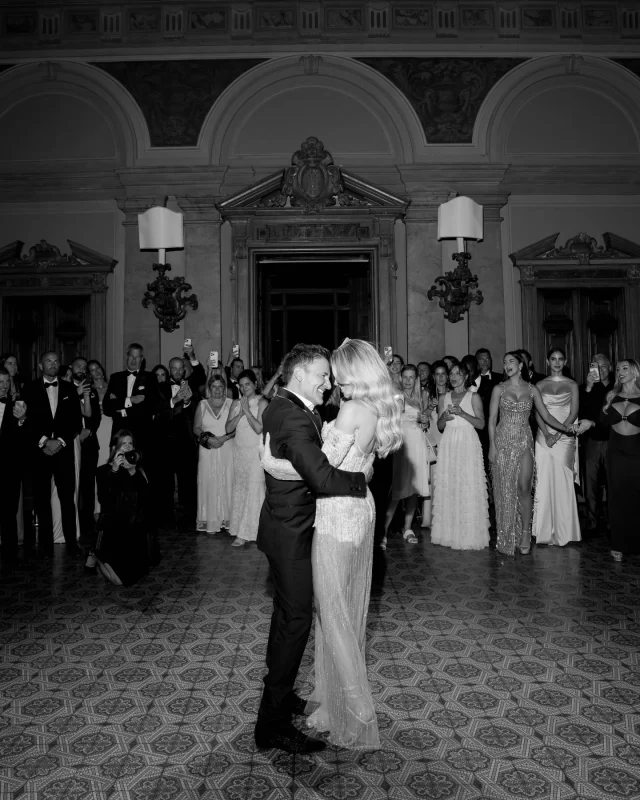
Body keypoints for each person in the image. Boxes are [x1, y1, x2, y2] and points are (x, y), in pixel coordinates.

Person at [261, 339, 403, 749]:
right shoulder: (375, 409)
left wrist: (270, 462)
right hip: (359, 512)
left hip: (338, 515)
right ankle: (331, 702)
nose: (332, 379)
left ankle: (358, 712)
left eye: (335, 371)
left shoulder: (351, 409)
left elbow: (320, 469)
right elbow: (362, 465)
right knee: (339, 611)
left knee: (335, 615)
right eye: (326, 373)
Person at [488, 352, 575, 557]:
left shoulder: (532, 389)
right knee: (505, 490)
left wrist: (566, 428)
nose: (507, 364)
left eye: (511, 361)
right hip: (502, 440)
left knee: (524, 488)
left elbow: (545, 415)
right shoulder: (498, 389)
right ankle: (507, 535)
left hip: (524, 440)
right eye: (505, 361)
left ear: (521, 366)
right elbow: (492, 419)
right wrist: (492, 446)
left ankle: (526, 533)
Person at [578, 359, 640, 561]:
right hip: (616, 453)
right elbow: (602, 423)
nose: (621, 372)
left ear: (635, 372)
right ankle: (618, 544)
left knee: (636, 496)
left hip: (636, 453)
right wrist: (590, 422)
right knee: (616, 497)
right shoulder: (612, 396)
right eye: (619, 368)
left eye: (625, 368)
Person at [24, 351, 82, 558]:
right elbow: (27, 421)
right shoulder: (29, 389)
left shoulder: (69, 388)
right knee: (41, 500)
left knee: (68, 499)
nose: (53, 364)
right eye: (48, 361)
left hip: (63, 451)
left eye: (56, 361)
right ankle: (46, 546)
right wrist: (44, 441)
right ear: (40, 366)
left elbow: (76, 420)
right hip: (40, 452)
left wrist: (61, 442)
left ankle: (71, 543)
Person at [431, 361, 489, 550]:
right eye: (452, 373)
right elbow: (440, 427)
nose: (453, 376)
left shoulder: (474, 396)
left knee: (468, 486)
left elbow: (481, 424)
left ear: (465, 376)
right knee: (450, 485)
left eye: (458, 373)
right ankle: (447, 533)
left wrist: (463, 413)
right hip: (449, 443)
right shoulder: (443, 397)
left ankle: (469, 535)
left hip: (467, 443)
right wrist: (443, 418)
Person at [533, 348, 581, 547]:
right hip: (544, 437)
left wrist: (559, 434)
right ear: (547, 361)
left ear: (566, 361)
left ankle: (566, 531)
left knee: (563, 481)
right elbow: (538, 412)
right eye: (553, 359)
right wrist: (546, 434)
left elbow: (574, 412)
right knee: (543, 481)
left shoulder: (572, 384)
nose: (557, 362)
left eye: (561, 359)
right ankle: (543, 531)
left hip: (565, 438)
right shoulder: (539, 385)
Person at [382, 364, 431, 549]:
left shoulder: (422, 396)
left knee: (414, 488)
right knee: (398, 488)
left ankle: (408, 528)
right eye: (406, 377)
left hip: (417, 442)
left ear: (416, 379)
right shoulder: (396, 395)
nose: (409, 380)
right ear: (401, 378)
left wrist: (425, 421)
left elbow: (424, 422)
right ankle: (383, 532)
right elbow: (390, 419)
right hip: (402, 444)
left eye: (412, 377)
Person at [94, 429, 151, 585]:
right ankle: (97, 556)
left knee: (138, 575)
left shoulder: (137, 470)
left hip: (134, 531)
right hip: (114, 530)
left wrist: (132, 471)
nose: (127, 447)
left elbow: (145, 499)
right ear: (114, 448)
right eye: (123, 443)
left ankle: (100, 558)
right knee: (119, 582)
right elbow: (105, 501)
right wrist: (114, 470)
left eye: (130, 443)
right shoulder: (103, 471)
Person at [154, 356, 198, 528]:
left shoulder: (191, 387)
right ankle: (166, 519)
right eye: (175, 368)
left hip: (186, 442)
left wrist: (187, 402)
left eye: (181, 368)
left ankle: (188, 519)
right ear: (169, 369)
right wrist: (174, 400)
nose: (178, 371)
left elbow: (197, 413)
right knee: (165, 483)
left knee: (187, 482)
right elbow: (158, 413)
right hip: (165, 442)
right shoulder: (160, 388)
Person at [225, 369, 267, 547]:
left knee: (255, 489)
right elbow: (228, 429)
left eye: (247, 384)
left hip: (255, 452)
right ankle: (241, 529)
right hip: (239, 452)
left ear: (255, 384)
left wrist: (248, 411)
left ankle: (254, 532)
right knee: (241, 489)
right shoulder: (236, 402)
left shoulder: (263, 402)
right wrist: (240, 412)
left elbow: (259, 428)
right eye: (241, 386)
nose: (244, 388)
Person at [193, 372, 235, 534]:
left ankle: (229, 519)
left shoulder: (232, 404)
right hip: (208, 450)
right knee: (209, 482)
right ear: (209, 389)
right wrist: (208, 439)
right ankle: (211, 520)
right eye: (214, 387)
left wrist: (223, 439)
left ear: (225, 389)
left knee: (228, 481)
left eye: (220, 387)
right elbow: (196, 428)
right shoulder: (202, 405)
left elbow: (238, 427)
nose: (217, 390)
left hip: (227, 448)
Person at [579, 354, 614, 532]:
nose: (600, 370)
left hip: (613, 441)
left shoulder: (619, 387)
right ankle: (592, 524)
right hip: (592, 441)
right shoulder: (586, 388)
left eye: (604, 366)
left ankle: (613, 523)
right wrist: (588, 387)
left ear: (611, 367)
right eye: (596, 367)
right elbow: (580, 411)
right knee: (591, 485)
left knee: (613, 483)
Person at [103, 343, 156, 454]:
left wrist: (120, 405)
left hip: (142, 434)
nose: (133, 360)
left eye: (137, 357)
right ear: (127, 356)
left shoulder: (150, 378)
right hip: (119, 432)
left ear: (142, 359)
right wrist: (130, 400)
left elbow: (151, 406)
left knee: (140, 469)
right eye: (131, 356)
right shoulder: (115, 377)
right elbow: (107, 407)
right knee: (117, 466)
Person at [71, 358, 101, 539]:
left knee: (88, 485)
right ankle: (72, 522)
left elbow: (94, 416)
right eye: (78, 366)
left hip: (89, 443)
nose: (81, 369)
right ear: (71, 369)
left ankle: (87, 524)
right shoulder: (66, 388)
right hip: (70, 441)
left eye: (84, 367)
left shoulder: (92, 391)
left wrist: (88, 431)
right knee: (72, 484)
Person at [0, 367, 27, 568]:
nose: (3, 386)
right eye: (0, 382)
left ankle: (10, 554)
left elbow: (23, 439)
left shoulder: (16, 407)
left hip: (9, 468)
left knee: (9, 512)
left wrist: (21, 420)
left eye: (6, 382)